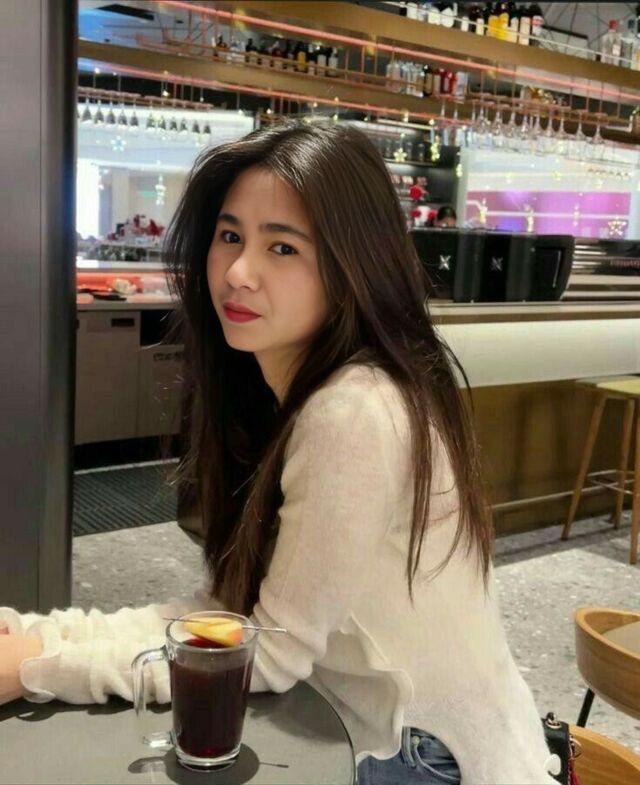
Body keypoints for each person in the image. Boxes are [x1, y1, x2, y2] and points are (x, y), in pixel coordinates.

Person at [0, 123, 559, 784]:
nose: (239, 272)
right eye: (230, 236)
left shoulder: (354, 410)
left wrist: (37, 667)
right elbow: (223, 617)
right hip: (359, 721)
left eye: (283, 247)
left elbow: (264, 654)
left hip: (426, 755)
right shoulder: (285, 392)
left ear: (353, 267)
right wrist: (42, 636)